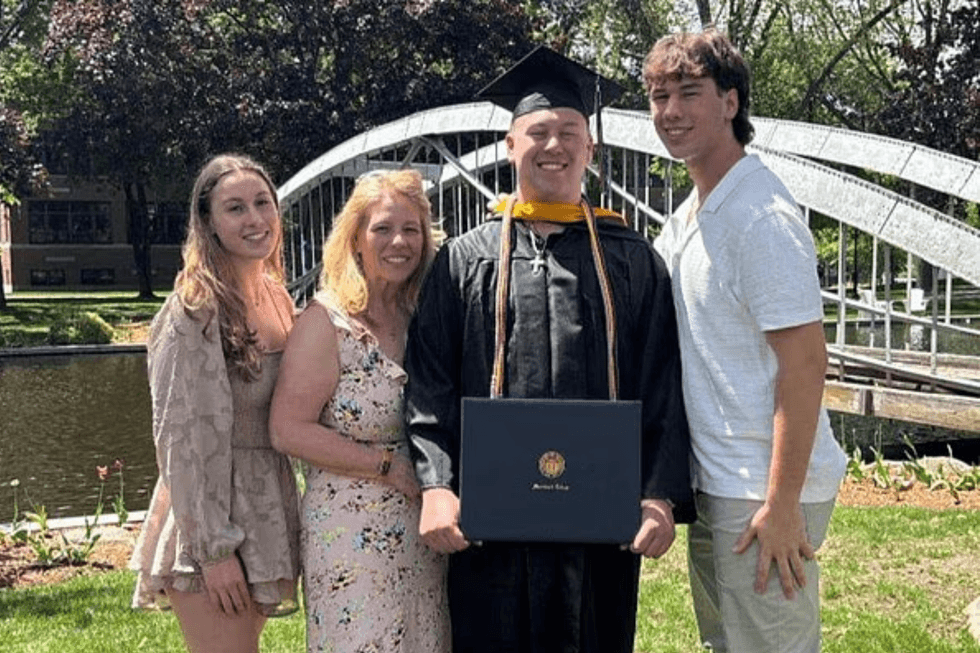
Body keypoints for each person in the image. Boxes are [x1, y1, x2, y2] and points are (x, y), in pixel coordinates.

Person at [405, 46, 694, 653]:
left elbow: (662, 381)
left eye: (569, 132)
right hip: (489, 529)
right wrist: (436, 486)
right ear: (510, 146)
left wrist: (659, 496)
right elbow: (428, 381)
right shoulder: (464, 260)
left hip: (601, 529)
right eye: (537, 131)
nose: (554, 145)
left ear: (590, 148)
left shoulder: (632, 259)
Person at [644, 30, 848, 653]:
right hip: (717, 481)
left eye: (688, 93)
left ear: (731, 103)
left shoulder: (760, 216)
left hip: (761, 489)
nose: (670, 111)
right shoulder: (692, 215)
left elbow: (806, 362)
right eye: (657, 96)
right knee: (728, 644)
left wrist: (781, 503)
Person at [269, 169, 450, 653]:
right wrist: (387, 468)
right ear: (355, 239)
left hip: (423, 534)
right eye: (383, 229)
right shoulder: (325, 322)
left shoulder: (424, 317)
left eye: (411, 229)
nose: (399, 242)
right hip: (350, 536)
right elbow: (287, 430)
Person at [129, 153, 301, 653]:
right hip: (213, 519)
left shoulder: (275, 296)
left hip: (263, 508)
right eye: (235, 208)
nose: (254, 219)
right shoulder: (195, 310)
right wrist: (215, 551)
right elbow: (179, 437)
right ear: (207, 222)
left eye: (262, 203)